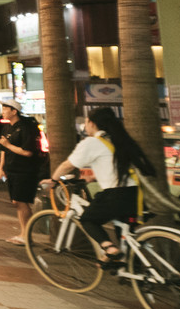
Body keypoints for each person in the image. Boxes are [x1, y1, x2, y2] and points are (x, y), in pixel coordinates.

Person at [44, 107, 154, 267]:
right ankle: (136, 274)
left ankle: (109, 250)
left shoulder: (92, 142)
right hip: (135, 195)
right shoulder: (118, 139)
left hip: (116, 196)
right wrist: (93, 177)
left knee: (88, 219)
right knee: (125, 237)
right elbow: (117, 166)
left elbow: (68, 165)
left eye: (86, 122)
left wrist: (53, 180)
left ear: (92, 123)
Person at [0, 100, 44, 242]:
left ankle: (27, 235)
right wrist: (1, 167)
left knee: (21, 201)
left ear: (14, 111)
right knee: (16, 202)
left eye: (6, 108)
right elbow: (4, 150)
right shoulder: (7, 128)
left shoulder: (26, 128)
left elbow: (27, 152)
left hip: (25, 170)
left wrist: (8, 145)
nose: (3, 111)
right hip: (11, 169)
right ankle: (23, 233)